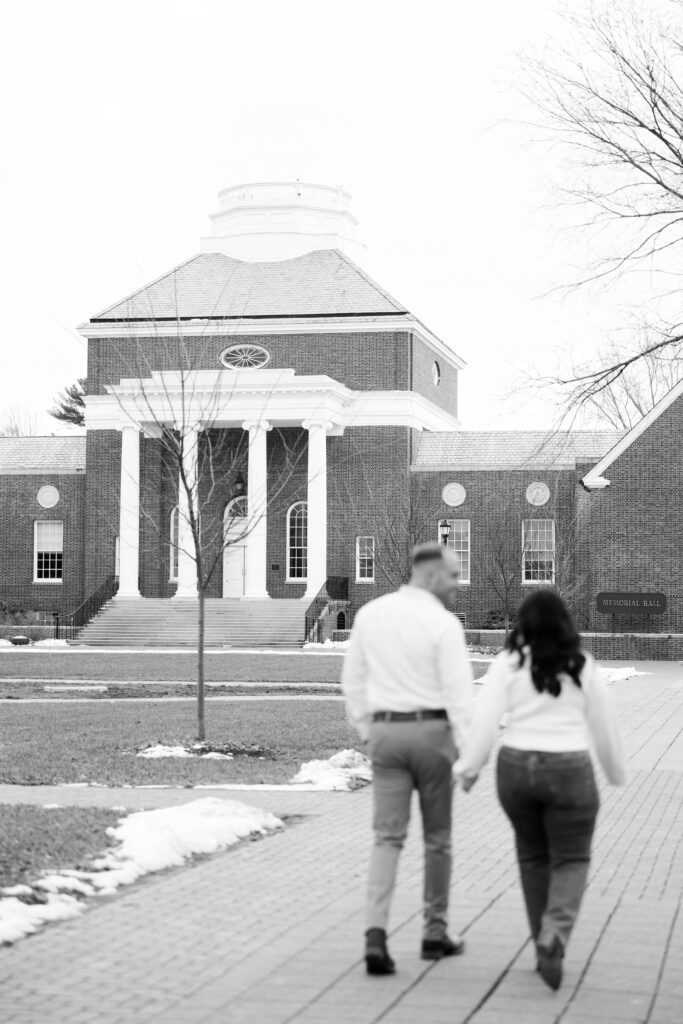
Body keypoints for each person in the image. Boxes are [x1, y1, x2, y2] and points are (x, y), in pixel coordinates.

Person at [454, 589, 626, 991]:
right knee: (571, 859)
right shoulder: (582, 666)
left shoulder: (507, 663)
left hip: (515, 768)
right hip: (570, 769)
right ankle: (556, 934)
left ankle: (542, 946)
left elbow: (485, 722)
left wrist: (468, 768)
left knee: (532, 858)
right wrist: (616, 773)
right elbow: (605, 728)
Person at [341, 543, 474, 976]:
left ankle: (375, 933)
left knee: (386, 837)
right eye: (453, 575)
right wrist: (467, 753)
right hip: (433, 733)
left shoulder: (371, 614)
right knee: (437, 838)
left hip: (386, 733)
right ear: (432, 574)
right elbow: (459, 694)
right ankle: (434, 932)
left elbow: (354, 678)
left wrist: (367, 727)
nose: (456, 584)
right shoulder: (443, 623)